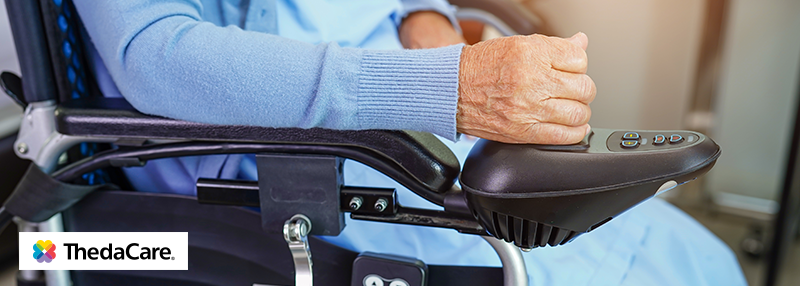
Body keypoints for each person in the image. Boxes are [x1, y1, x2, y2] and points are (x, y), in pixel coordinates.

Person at [72, 0, 746, 285]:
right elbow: (155, 57)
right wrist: (449, 88)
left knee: (696, 256)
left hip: (404, 130)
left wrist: (429, 18)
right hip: (285, 163)